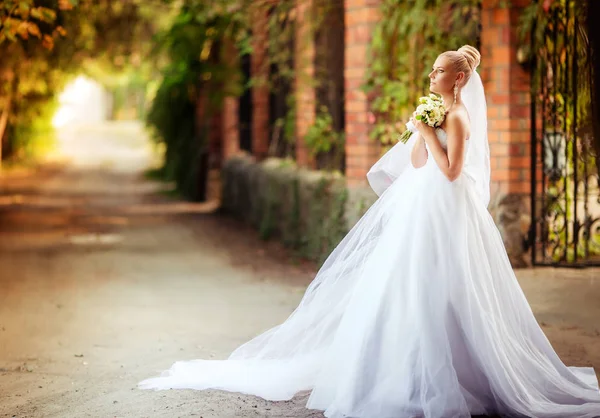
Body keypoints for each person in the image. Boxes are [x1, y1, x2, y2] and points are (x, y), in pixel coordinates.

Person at [140, 46, 600, 418]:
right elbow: (420, 164)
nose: (432, 77)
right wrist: (420, 134)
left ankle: (456, 371)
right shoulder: (438, 112)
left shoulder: (458, 118)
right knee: (405, 283)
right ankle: (402, 366)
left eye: (439, 71)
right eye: (432, 70)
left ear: (458, 79)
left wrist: (426, 131)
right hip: (422, 205)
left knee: (444, 285)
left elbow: (454, 170)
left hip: (446, 207)